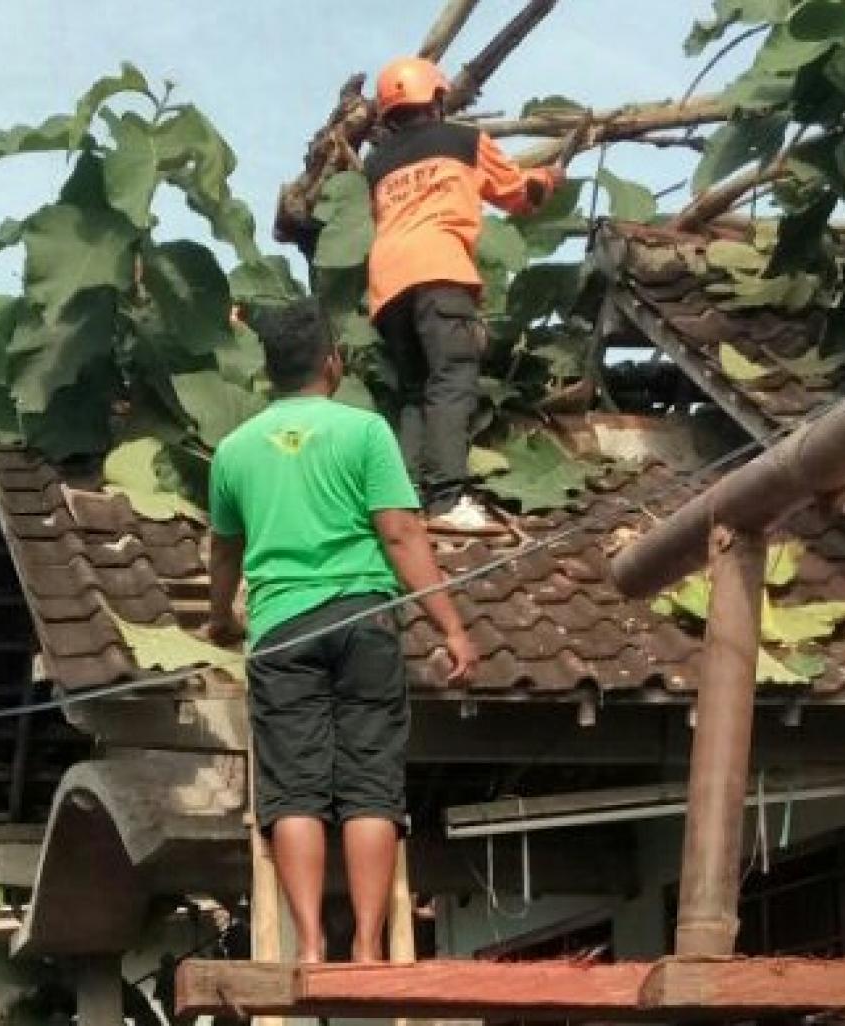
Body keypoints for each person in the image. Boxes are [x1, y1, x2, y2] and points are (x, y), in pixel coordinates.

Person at [206, 299, 478, 963]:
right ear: (332, 364)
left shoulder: (233, 452)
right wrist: (450, 626)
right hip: (364, 622)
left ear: (269, 371)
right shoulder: (365, 432)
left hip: (280, 631)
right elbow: (401, 533)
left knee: (294, 791)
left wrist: (220, 619)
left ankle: (308, 946)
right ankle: (366, 946)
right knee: (370, 787)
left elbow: (224, 554)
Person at [366, 56, 565, 531]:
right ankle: (447, 498)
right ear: (435, 98)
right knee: (452, 379)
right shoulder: (463, 140)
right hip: (439, 269)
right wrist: (549, 180)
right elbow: (516, 194)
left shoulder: (376, 164)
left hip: (388, 283)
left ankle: (404, 501)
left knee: (413, 392)